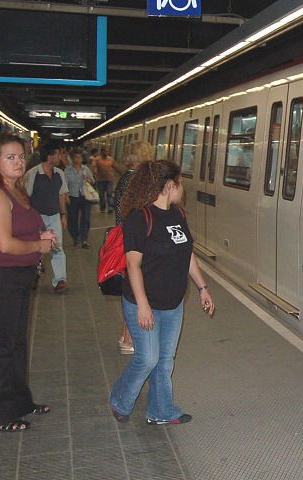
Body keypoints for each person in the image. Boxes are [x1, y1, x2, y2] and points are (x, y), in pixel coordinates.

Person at [109, 160, 214, 425]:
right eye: (180, 183)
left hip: (173, 303)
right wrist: (143, 305)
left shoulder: (178, 215)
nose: (182, 189)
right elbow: (133, 265)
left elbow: (187, 252)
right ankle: (120, 399)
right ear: (169, 186)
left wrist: (203, 288)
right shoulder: (138, 219)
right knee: (147, 359)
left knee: (165, 360)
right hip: (143, 302)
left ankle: (161, 410)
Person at [0, 132, 58, 432]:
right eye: (10, 157)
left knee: (17, 343)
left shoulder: (16, 190)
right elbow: (5, 244)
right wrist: (38, 246)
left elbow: (21, 231)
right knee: (0, 346)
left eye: (21, 156)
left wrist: (40, 237)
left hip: (18, 276)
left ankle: (20, 402)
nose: (18, 162)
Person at [113, 140, 155, 355]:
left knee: (130, 287)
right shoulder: (135, 181)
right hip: (133, 242)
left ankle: (125, 336)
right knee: (134, 289)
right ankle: (129, 339)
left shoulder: (125, 178)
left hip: (127, 240)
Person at [24, 143, 69, 293]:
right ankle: (34, 276)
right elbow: (26, 197)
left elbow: (61, 195)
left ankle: (60, 280)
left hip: (54, 215)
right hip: (37, 217)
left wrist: (63, 215)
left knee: (57, 247)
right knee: (35, 249)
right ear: (50, 157)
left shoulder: (59, 174)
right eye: (58, 154)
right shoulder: (32, 174)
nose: (61, 157)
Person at [64, 151, 94, 249]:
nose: (78, 160)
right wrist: (66, 195)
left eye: (79, 157)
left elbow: (93, 181)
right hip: (73, 197)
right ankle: (75, 238)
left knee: (86, 217)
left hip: (85, 196)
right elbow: (65, 184)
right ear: (72, 159)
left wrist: (87, 179)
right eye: (76, 157)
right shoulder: (67, 171)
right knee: (72, 218)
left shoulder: (85, 169)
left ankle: (84, 239)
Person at [94, 147, 121, 213]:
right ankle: (102, 208)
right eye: (105, 151)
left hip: (109, 179)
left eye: (108, 151)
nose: (107, 153)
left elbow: (116, 167)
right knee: (101, 194)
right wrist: (93, 173)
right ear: (102, 152)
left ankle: (110, 207)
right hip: (100, 179)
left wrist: (123, 174)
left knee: (109, 193)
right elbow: (93, 167)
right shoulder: (97, 159)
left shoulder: (111, 159)